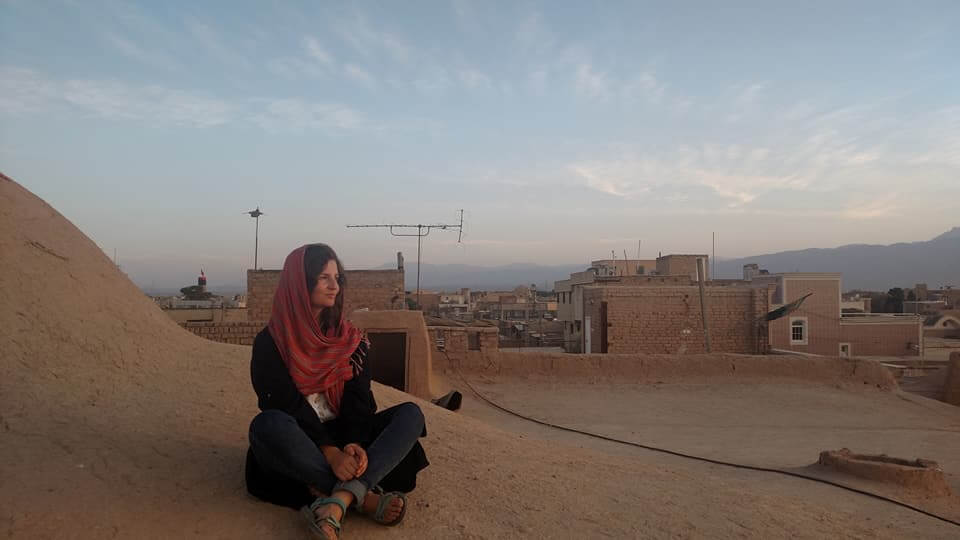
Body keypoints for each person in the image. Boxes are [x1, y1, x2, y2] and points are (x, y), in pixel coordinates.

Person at [245, 243, 429, 539]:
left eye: (337, 278)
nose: (334, 286)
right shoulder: (272, 342)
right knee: (267, 426)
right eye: (324, 278)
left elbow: (359, 400)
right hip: (303, 440)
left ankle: (339, 499)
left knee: (411, 415)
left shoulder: (350, 339)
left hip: (347, 436)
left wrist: (352, 444)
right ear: (300, 283)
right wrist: (329, 452)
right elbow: (283, 403)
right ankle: (364, 495)